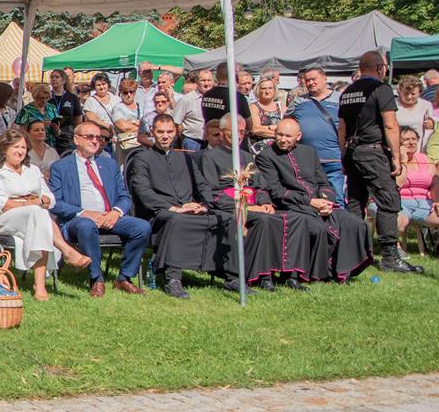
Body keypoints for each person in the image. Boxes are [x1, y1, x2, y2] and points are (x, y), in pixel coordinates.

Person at [255, 115, 378, 281]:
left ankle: (341, 271)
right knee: (321, 228)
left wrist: (327, 202)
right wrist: (311, 202)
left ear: (298, 136)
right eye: (280, 134)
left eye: (288, 136)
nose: (283, 139)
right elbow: (277, 192)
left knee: (356, 224)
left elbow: (323, 183)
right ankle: (320, 272)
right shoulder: (266, 156)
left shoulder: (309, 152)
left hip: (319, 204)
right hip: (293, 206)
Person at [48, 118, 151, 297]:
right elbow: (56, 202)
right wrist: (85, 213)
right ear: (76, 139)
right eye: (90, 137)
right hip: (77, 220)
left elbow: (124, 196)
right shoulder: (61, 167)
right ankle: (96, 278)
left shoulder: (109, 164)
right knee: (86, 225)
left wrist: (116, 212)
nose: (95, 141)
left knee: (142, 227)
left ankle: (124, 277)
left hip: (109, 217)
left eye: (99, 138)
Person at [337, 50, 418, 274]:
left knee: (356, 202)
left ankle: (353, 254)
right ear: (380, 68)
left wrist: (343, 155)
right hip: (372, 152)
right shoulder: (381, 89)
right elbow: (390, 124)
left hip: (352, 152)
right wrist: (396, 157)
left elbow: (342, 127)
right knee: (388, 200)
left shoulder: (347, 92)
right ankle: (391, 256)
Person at [126, 113, 222, 298]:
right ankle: (173, 279)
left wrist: (204, 205)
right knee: (177, 220)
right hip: (158, 213)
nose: (165, 136)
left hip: (189, 209)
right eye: (160, 132)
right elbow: (142, 190)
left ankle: (229, 275)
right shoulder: (142, 158)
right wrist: (174, 208)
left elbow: (202, 185)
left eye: (169, 132)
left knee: (224, 218)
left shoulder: (186, 158)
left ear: (176, 132)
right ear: (152, 132)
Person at [0, 128, 90, 300]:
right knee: (39, 213)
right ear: (4, 149)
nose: (20, 151)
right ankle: (66, 251)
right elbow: (2, 204)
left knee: (39, 217)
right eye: (15, 147)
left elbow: (50, 199)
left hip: (34, 217)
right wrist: (33, 201)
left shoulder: (32, 170)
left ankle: (40, 285)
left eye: (23, 147)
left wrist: (31, 201)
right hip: (4, 220)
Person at [196, 115, 288, 292]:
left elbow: (259, 185)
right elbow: (212, 192)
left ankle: (268, 273)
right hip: (227, 206)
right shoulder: (210, 157)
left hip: (252, 204)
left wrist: (266, 203)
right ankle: (255, 275)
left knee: (275, 218)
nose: (239, 136)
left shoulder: (246, 156)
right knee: (262, 220)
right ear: (222, 132)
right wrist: (245, 206)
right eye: (234, 132)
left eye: (242, 132)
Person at [286, 65, 343, 202]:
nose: (310, 83)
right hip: (307, 161)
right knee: (312, 199)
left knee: (337, 199)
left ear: (324, 78)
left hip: (333, 160)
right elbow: (287, 124)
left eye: (313, 79)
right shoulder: (298, 101)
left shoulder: (340, 99)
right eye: (307, 80)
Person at [396, 127, 437, 241]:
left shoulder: (424, 158)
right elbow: (398, 183)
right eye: (406, 139)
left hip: (424, 203)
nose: (411, 142)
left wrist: (437, 201)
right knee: (399, 220)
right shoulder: (392, 160)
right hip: (400, 202)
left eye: (414, 139)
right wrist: (403, 160)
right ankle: (394, 247)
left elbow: (435, 183)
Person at [174, 68, 213, 150]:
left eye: (209, 80)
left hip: (212, 143)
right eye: (203, 80)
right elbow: (176, 123)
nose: (206, 83)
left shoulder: (217, 98)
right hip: (192, 142)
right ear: (197, 82)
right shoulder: (186, 99)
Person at [396, 75, 435, 153]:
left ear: (419, 93)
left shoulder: (426, 105)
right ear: (399, 91)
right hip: (397, 149)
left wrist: (432, 125)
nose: (409, 97)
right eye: (406, 93)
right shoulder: (392, 104)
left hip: (418, 151)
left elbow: (430, 130)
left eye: (413, 94)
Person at [248, 74, 286, 146]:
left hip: (281, 144)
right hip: (260, 145)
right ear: (258, 90)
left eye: (270, 88)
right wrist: (277, 132)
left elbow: (288, 128)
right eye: (264, 88)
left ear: (274, 90)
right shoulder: (254, 107)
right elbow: (256, 129)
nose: (267, 91)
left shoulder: (282, 108)